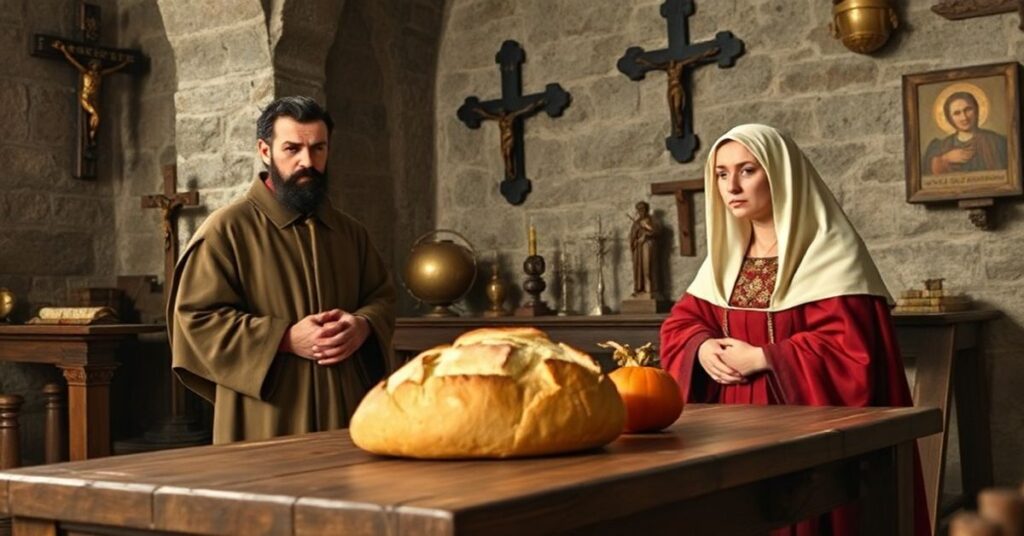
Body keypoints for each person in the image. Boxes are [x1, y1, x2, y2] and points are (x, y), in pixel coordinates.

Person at [659, 124, 929, 535]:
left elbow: (850, 353)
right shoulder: (728, 256)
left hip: (801, 437)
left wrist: (764, 357)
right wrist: (701, 347)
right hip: (727, 430)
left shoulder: (829, 253)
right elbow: (683, 322)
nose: (731, 185)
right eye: (721, 173)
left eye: (747, 170)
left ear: (780, 174)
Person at [168, 96, 396, 444]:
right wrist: (285, 339)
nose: (308, 161)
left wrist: (363, 326)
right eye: (292, 149)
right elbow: (195, 320)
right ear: (265, 150)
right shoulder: (227, 229)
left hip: (345, 411)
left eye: (318, 148)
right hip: (264, 417)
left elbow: (382, 298)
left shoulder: (351, 233)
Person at [52, 40, 132, 145]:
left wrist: (124, 63)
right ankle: (91, 137)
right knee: (96, 115)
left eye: (98, 65)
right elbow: (73, 61)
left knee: (96, 116)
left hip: (95, 98)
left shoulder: (100, 75)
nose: (96, 66)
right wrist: (64, 50)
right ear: (91, 65)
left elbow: (113, 69)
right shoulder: (85, 72)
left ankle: (92, 135)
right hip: (86, 97)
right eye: (94, 64)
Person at [923, 91, 1007, 175]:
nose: (964, 117)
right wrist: (945, 159)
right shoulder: (941, 146)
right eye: (957, 113)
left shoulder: (996, 141)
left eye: (968, 110)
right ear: (950, 118)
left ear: (976, 110)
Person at [628, 201, 659, 296]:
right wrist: (635, 240)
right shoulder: (636, 223)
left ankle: (649, 288)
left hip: (648, 246)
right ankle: (639, 288)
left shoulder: (651, 221)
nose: (641, 212)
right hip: (638, 248)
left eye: (643, 210)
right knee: (638, 268)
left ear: (647, 210)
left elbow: (656, 231)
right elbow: (632, 236)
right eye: (639, 210)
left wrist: (646, 233)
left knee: (647, 267)